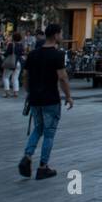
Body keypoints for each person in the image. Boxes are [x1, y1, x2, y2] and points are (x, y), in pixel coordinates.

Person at [19, 23, 73, 181]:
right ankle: (43, 167)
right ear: (56, 35)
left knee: (38, 128)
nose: (62, 36)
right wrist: (68, 96)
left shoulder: (33, 54)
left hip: (35, 98)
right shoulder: (57, 55)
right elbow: (62, 77)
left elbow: (25, 75)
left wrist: (29, 91)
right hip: (50, 98)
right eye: (61, 33)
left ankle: (27, 156)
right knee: (49, 133)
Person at [1, 31, 25, 98]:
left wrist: (1, 53)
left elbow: (7, 54)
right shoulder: (21, 45)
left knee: (5, 77)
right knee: (15, 78)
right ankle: (16, 93)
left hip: (12, 62)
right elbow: (22, 54)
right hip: (19, 63)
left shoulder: (11, 44)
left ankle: (7, 92)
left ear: (13, 38)